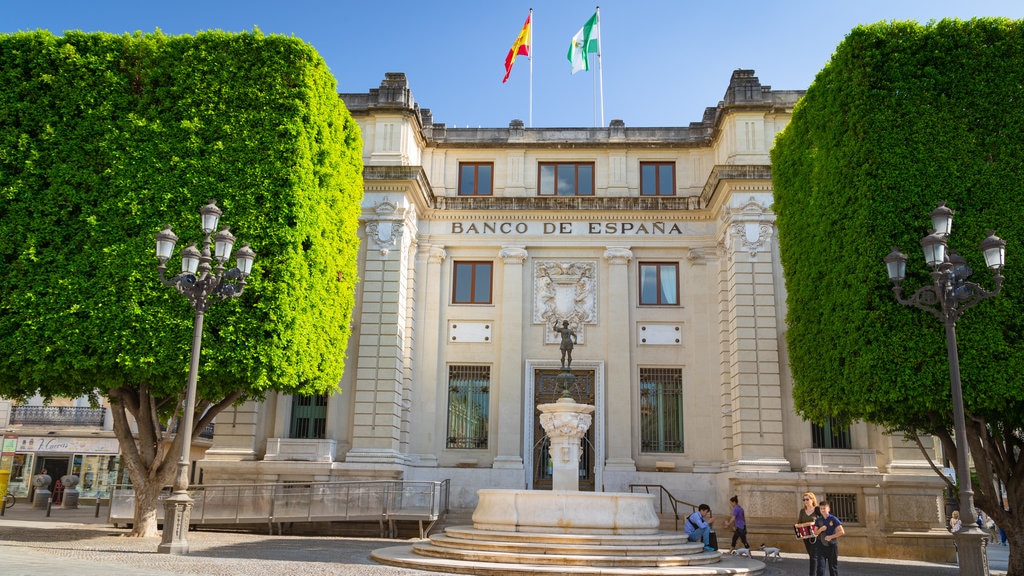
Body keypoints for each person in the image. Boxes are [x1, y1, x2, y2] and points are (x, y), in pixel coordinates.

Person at [814, 500, 845, 576]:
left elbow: (842, 531)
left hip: (832, 546)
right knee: (820, 567)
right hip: (821, 546)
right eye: (821, 508)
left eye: (824, 508)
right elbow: (815, 533)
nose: (823, 510)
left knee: (833, 568)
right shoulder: (818, 520)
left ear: (828, 509)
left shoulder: (833, 519)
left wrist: (831, 537)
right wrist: (821, 529)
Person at [798, 492, 821, 576]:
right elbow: (799, 522)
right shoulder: (802, 511)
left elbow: (823, 521)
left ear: (812, 499)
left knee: (813, 557)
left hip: (815, 537)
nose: (805, 501)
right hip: (806, 537)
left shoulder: (817, 509)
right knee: (812, 555)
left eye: (807, 499)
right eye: (804, 499)